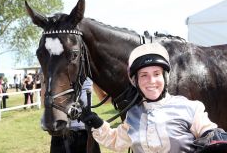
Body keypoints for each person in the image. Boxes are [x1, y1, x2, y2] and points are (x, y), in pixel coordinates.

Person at [79, 43, 227, 153]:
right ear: (135, 82)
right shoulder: (133, 115)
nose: (151, 81)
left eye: (156, 74)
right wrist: (97, 123)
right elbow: (116, 141)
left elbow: (211, 133)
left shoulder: (190, 108)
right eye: (144, 75)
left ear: (165, 78)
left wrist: (214, 139)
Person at [50, 77, 101, 153]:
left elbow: (46, 102)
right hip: (74, 133)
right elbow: (103, 96)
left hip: (80, 133)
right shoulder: (88, 68)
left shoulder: (52, 69)